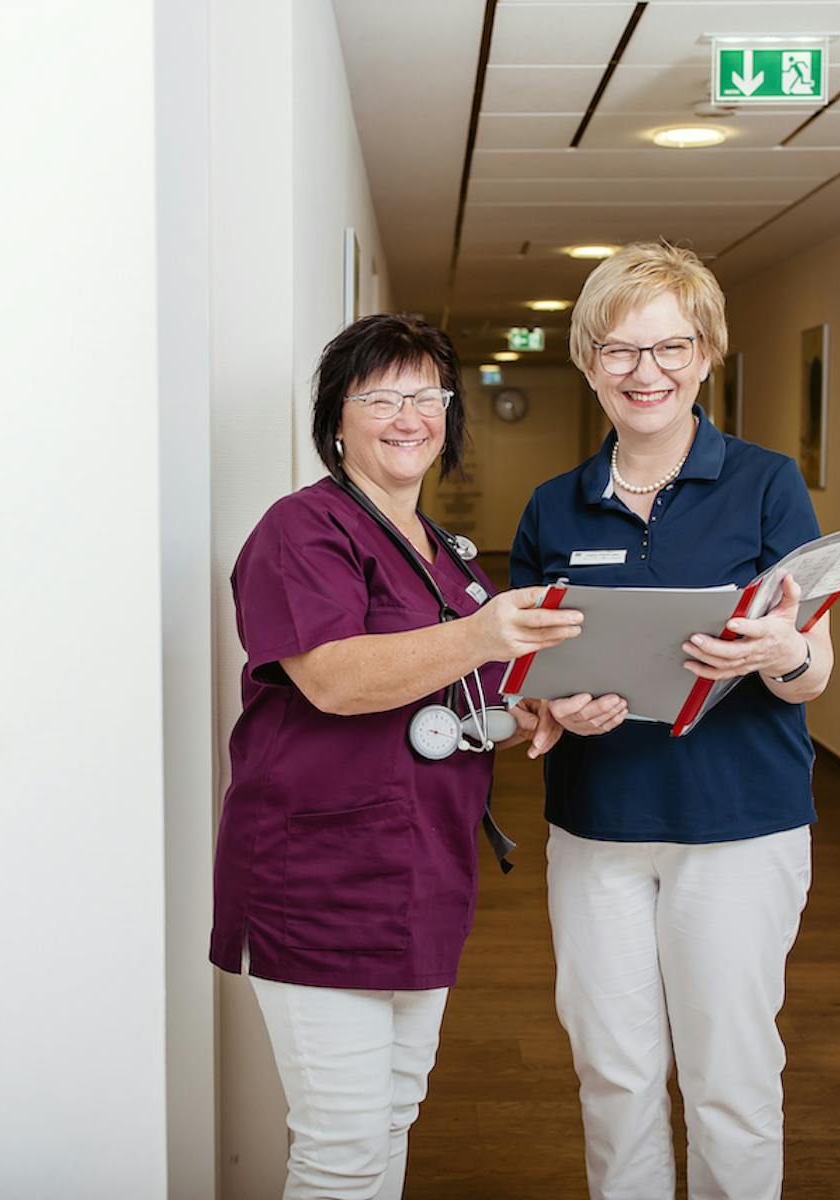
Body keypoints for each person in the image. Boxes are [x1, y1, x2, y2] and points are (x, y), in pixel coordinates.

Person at [210, 313, 582, 1200]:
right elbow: (335, 680)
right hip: (318, 879)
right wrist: (483, 634)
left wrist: (526, 712)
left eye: (427, 396)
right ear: (337, 420)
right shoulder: (302, 531)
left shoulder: (446, 553)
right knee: (340, 1147)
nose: (409, 416)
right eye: (380, 397)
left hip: (422, 872)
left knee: (390, 1119)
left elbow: (452, 699)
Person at [509, 242, 834, 1200]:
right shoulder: (552, 506)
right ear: (589, 362)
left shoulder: (768, 485)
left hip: (738, 825)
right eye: (618, 349)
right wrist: (552, 706)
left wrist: (778, 653)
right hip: (598, 827)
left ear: (705, 356)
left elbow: (812, 674)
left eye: (670, 347)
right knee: (614, 1076)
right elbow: (526, 681)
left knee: (730, 1079)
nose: (644, 371)